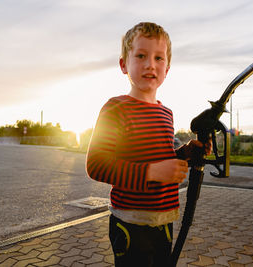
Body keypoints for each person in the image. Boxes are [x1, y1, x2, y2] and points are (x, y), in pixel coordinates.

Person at [86, 22, 210, 267]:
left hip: (164, 219)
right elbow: (97, 164)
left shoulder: (166, 113)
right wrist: (152, 173)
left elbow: (160, 156)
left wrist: (185, 153)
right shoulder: (116, 108)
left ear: (168, 67)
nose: (150, 64)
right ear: (124, 64)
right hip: (131, 222)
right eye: (140, 55)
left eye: (158, 58)